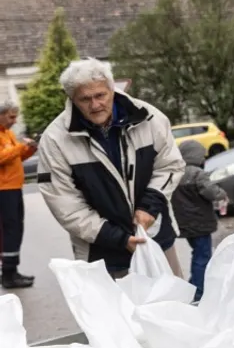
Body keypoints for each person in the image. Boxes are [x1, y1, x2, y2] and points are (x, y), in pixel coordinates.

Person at [37, 58, 185, 278]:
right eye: (85, 99)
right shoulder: (55, 140)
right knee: (118, 312)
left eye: (100, 95)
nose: (95, 105)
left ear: (112, 89)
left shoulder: (149, 118)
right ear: (72, 99)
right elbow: (64, 204)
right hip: (102, 252)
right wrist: (118, 238)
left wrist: (150, 206)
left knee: (173, 307)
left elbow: (170, 165)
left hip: (155, 238)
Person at [171, 139, 227, 300]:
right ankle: (198, 292)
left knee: (197, 254)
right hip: (200, 223)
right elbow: (210, 191)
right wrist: (221, 194)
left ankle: (194, 284)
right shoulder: (197, 173)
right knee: (202, 256)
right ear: (195, 156)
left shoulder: (177, 173)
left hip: (184, 224)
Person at [0, 102, 37, 289]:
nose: (14, 121)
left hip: (13, 187)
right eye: (11, 117)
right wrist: (19, 147)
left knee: (16, 229)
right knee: (10, 230)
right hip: (3, 189)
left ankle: (12, 270)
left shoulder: (8, 134)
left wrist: (29, 149)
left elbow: (15, 158)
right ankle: (8, 274)